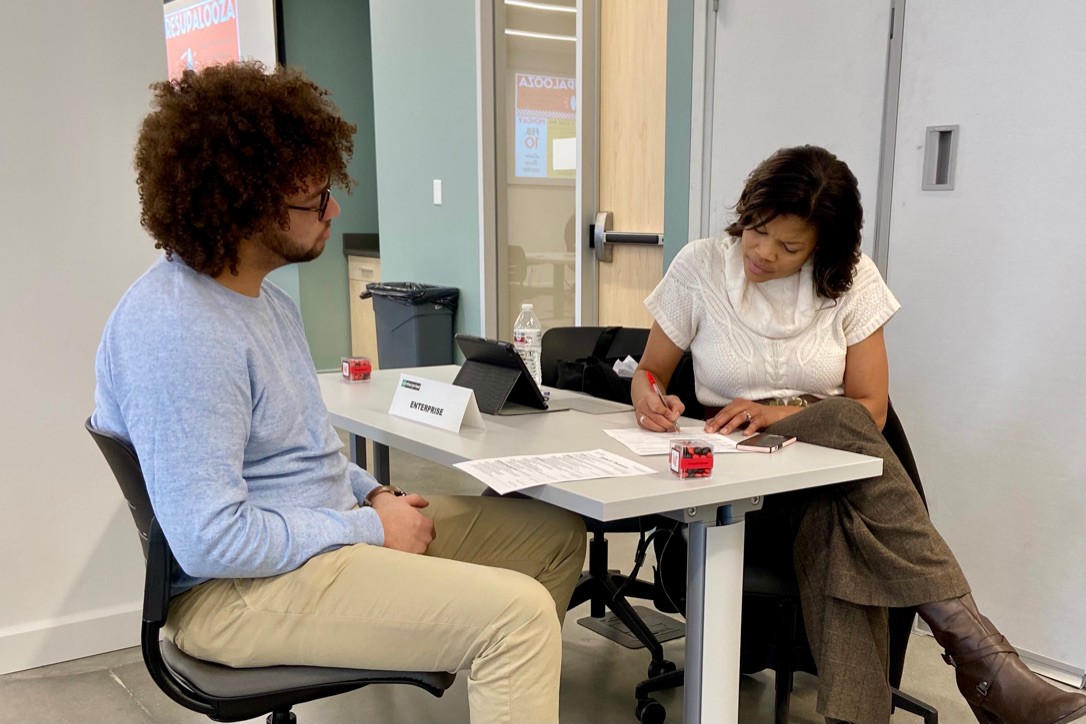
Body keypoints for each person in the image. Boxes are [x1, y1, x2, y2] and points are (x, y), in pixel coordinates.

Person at [92, 61, 586, 724]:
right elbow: (211, 542)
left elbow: (301, 453)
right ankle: (492, 644)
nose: (334, 210)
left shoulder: (263, 302)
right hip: (233, 595)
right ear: (248, 207)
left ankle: (493, 677)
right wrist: (370, 528)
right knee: (518, 617)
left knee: (550, 534)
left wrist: (372, 493)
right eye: (316, 200)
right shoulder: (181, 332)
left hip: (308, 542)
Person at [633, 145, 1086, 724]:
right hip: (740, 485)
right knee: (841, 451)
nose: (763, 252)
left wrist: (779, 414)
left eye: (789, 246)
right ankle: (983, 660)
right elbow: (650, 372)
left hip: (824, 472)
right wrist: (650, 396)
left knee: (836, 512)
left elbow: (870, 409)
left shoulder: (852, 281)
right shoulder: (698, 269)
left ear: (824, 246)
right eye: (757, 230)